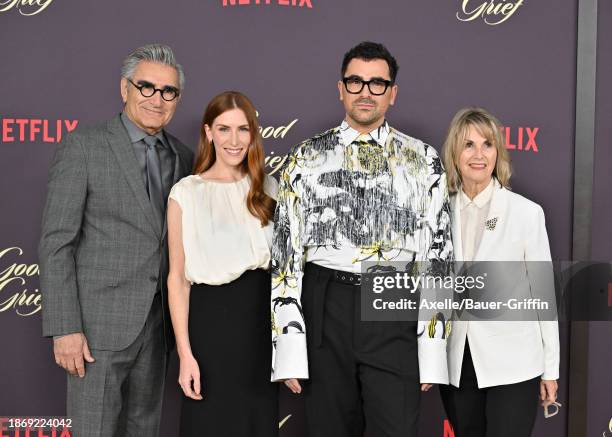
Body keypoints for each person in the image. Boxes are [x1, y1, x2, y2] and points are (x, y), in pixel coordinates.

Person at [270, 41, 453, 437]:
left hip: (393, 297)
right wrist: (287, 348)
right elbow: (285, 257)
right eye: (355, 82)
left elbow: (438, 256)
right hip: (326, 301)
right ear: (341, 88)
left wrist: (433, 350)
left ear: (392, 93)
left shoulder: (423, 159)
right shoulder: (305, 156)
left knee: (396, 428)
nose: (365, 92)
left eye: (377, 83)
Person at [39, 44, 194, 437]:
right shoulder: (85, 146)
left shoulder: (184, 157)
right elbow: (57, 242)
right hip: (95, 330)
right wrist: (65, 327)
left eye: (168, 91)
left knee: (146, 429)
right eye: (146, 87)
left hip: (160, 329)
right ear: (124, 89)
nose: (157, 100)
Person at [439, 107, 560, 437]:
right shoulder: (437, 212)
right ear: (454, 152)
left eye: (487, 145)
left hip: (516, 363)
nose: (479, 155)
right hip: (457, 363)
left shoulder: (525, 213)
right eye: (468, 145)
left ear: (498, 153)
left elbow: (543, 295)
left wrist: (550, 369)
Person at [167, 91, 279, 437]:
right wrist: (185, 355)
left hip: (261, 325)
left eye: (243, 129)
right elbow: (177, 280)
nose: (234, 140)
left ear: (253, 134)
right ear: (208, 132)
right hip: (209, 326)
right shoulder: (186, 192)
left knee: (256, 423)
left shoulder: (269, 188)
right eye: (224, 128)